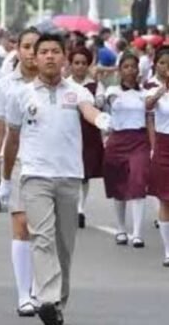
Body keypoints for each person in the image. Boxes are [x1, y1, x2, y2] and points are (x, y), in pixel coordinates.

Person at [3, 33, 111, 325]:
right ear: (35, 58)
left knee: (64, 245)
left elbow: (88, 110)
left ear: (64, 57)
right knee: (43, 237)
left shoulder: (77, 91)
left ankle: (56, 305)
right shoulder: (21, 94)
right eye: (44, 52)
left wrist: (100, 119)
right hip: (35, 176)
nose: (49, 56)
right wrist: (3, 179)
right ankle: (47, 298)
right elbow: (12, 138)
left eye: (55, 51)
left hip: (69, 175)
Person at [0, 27, 40, 317]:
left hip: (47, 164)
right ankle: (23, 294)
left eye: (36, 47)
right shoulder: (5, 85)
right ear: (18, 49)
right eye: (26, 46)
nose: (31, 52)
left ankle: (40, 288)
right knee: (21, 224)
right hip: (16, 162)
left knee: (44, 230)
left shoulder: (56, 84)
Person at [103, 53, 150, 248]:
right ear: (120, 70)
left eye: (133, 66)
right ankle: (121, 228)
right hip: (117, 139)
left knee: (139, 182)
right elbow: (112, 103)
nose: (130, 70)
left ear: (138, 70)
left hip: (139, 139)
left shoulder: (145, 93)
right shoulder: (112, 91)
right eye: (126, 67)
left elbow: (150, 114)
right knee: (118, 185)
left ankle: (137, 233)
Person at [66, 47, 105, 229]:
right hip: (68, 132)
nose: (80, 66)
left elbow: (100, 104)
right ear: (70, 65)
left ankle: (80, 209)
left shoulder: (95, 85)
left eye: (83, 63)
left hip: (88, 132)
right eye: (76, 63)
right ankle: (70, 206)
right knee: (70, 173)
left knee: (85, 173)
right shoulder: (64, 84)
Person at [145, 46, 169, 267]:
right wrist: (160, 92)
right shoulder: (153, 89)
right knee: (165, 199)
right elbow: (147, 108)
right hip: (164, 145)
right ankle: (168, 250)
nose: (166, 68)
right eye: (163, 63)